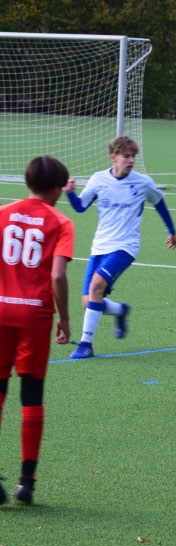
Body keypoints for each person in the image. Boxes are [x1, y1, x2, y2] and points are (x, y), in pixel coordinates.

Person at [0, 156, 75, 505]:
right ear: (57, 189)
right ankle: (26, 482)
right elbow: (57, 274)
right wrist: (65, 318)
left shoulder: (3, 213)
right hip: (34, 315)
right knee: (31, 396)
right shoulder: (60, 222)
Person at [64, 136, 176, 360]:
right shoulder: (98, 179)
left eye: (133, 156)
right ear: (113, 157)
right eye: (126, 156)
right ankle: (120, 310)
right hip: (100, 246)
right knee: (89, 301)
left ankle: (86, 344)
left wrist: (172, 231)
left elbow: (159, 203)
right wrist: (69, 192)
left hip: (126, 247)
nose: (131, 160)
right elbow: (80, 206)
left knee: (96, 286)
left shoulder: (143, 182)